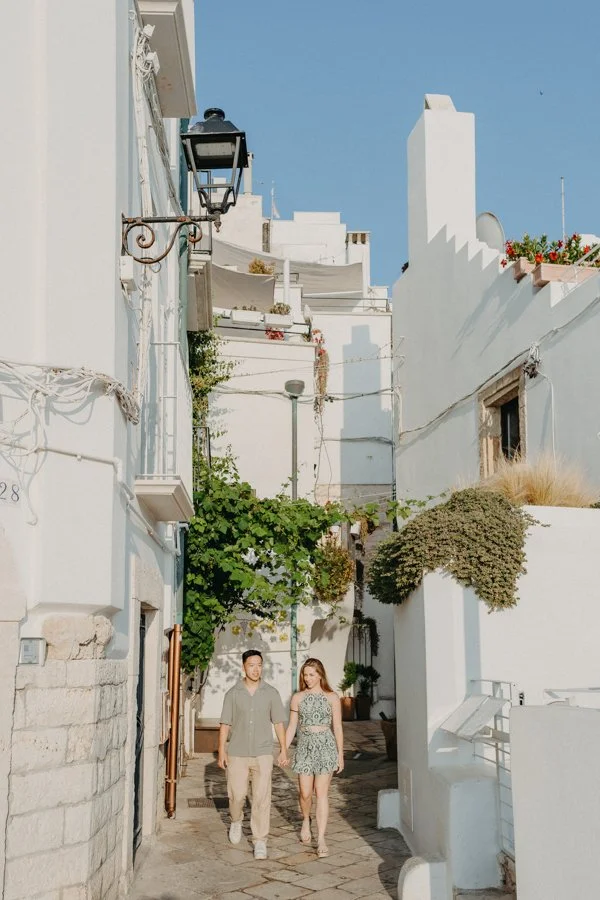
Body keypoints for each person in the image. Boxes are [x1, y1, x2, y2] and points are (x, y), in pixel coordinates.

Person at [218, 649, 288, 860]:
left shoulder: (271, 693)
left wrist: (283, 748)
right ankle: (236, 820)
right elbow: (225, 724)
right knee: (237, 795)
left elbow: (278, 722)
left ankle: (260, 840)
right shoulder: (233, 694)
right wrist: (222, 750)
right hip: (237, 752)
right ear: (243, 667)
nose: (256, 669)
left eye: (259, 665)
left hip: (263, 753)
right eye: (252, 665)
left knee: (261, 797)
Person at [285, 657, 344, 858]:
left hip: (326, 746)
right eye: (305, 674)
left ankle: (321, 839)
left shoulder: (332, 697)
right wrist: (283, 749)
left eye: (311, 674)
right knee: (305, 793)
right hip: (305, 747)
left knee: (321, 793)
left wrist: (340, 754)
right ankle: (305, 820)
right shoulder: (297, 698)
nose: (307, 678)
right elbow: (292, 726)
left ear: (320, 675)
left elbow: (337, 727)